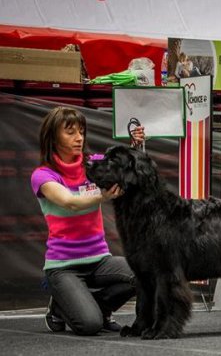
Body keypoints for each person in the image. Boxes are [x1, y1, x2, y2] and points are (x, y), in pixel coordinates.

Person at [31, 106, 145, 335]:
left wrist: (135, 147)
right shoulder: (43, 175)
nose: (79, 137)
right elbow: (69, 201)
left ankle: (99, 308)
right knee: (89, 325)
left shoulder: (93, 163)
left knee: (145, 272)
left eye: (81, 131)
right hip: (64, 267)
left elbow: (123, 168)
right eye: (70, 132)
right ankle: (59, 308)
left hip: (99, 260)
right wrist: (101, 196)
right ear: (53, 136)